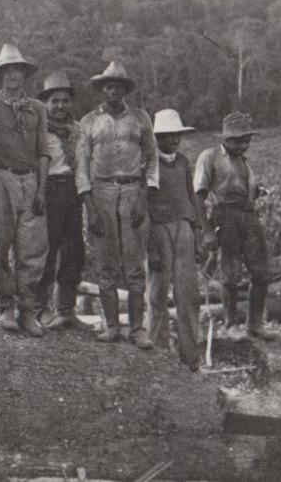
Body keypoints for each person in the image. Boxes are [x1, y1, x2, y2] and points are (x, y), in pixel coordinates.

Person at [75, 61, 158, 349]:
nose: (113, 90)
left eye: (118, 86)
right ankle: (112, 326)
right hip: (101, 190)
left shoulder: (140, 118)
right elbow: (82, 166)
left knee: (134, 265)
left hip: (133, 189)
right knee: (105, 263)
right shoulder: (88, 122)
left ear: (124, 89)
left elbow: (152, 159)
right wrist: (89, 205)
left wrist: (143, 198)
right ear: (102, 89)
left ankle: (136, 328)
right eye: (108, 85)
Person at [0, 44, 51, 337]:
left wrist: (42, 189)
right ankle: (4, 306)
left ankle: (28, 310)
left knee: (31, 249)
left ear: (24, 75)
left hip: (30, 179)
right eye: (6, 72)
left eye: (17, 71)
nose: (12, 77)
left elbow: (43, 151)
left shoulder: (37, 108)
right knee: (0, 244)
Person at [193, 112, 274, 340]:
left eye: (247, 140)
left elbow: (244, 189)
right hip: (225, 216)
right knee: (230, 273)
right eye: (238, 140)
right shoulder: (209, 157)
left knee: (261, 272)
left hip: (248, 216)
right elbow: (198, 196)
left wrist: (258, 191)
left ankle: (255, 324)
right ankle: (231, 325)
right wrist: (207, 231)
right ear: (226, 139)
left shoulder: (243, 162)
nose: (243, 145)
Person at [146, 109, 209, 369]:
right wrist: (151, 248)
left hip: (183, 226)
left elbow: (191, 197)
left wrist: (198, 232)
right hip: (159, 228)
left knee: (188, 293)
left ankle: (189, 354)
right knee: (157, 292)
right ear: (157, 137)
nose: (174, 140)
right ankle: (159, 354)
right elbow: (144, 203)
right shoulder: (148, 163)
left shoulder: (183, 162)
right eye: (167, 135)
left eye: (177, 135)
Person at [33, 71, 87, 330]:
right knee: (47, 249)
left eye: (64, 101)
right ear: (45, 103)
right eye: (54, 101)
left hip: (73, 191)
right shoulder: (38, 128)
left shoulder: (76, 131)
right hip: (49, 190)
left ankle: (66, 308)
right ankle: (40, 308)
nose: (60, 106)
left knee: (74, 250)